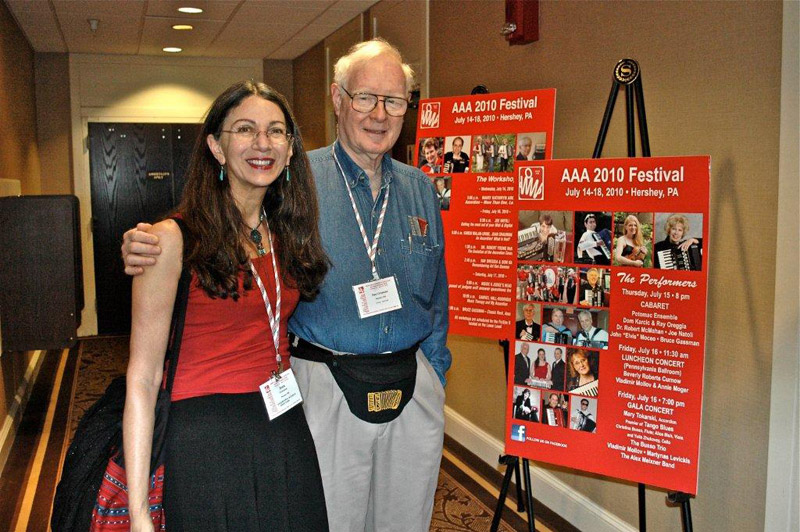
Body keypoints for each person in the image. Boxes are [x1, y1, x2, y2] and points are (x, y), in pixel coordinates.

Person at [123, 39, 449, 532]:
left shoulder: (418, 189)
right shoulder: (300, 182)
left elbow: (438, 292)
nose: (379, 114)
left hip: (396, 388)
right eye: (365, 97)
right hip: (318, 388)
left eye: (394, 100)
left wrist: (436, 372)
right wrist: (142, 242)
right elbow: (210, 228)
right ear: (338, 99)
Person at [123, 81, 329, 531]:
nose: (263, 143)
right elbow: (141, 377)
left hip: (283, 423)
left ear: (291, 149)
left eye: (276, 131)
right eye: (245, 129)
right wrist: (139, 512)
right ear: (216, 146)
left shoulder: (289, 233)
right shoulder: (169, 240)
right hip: (207, 436)